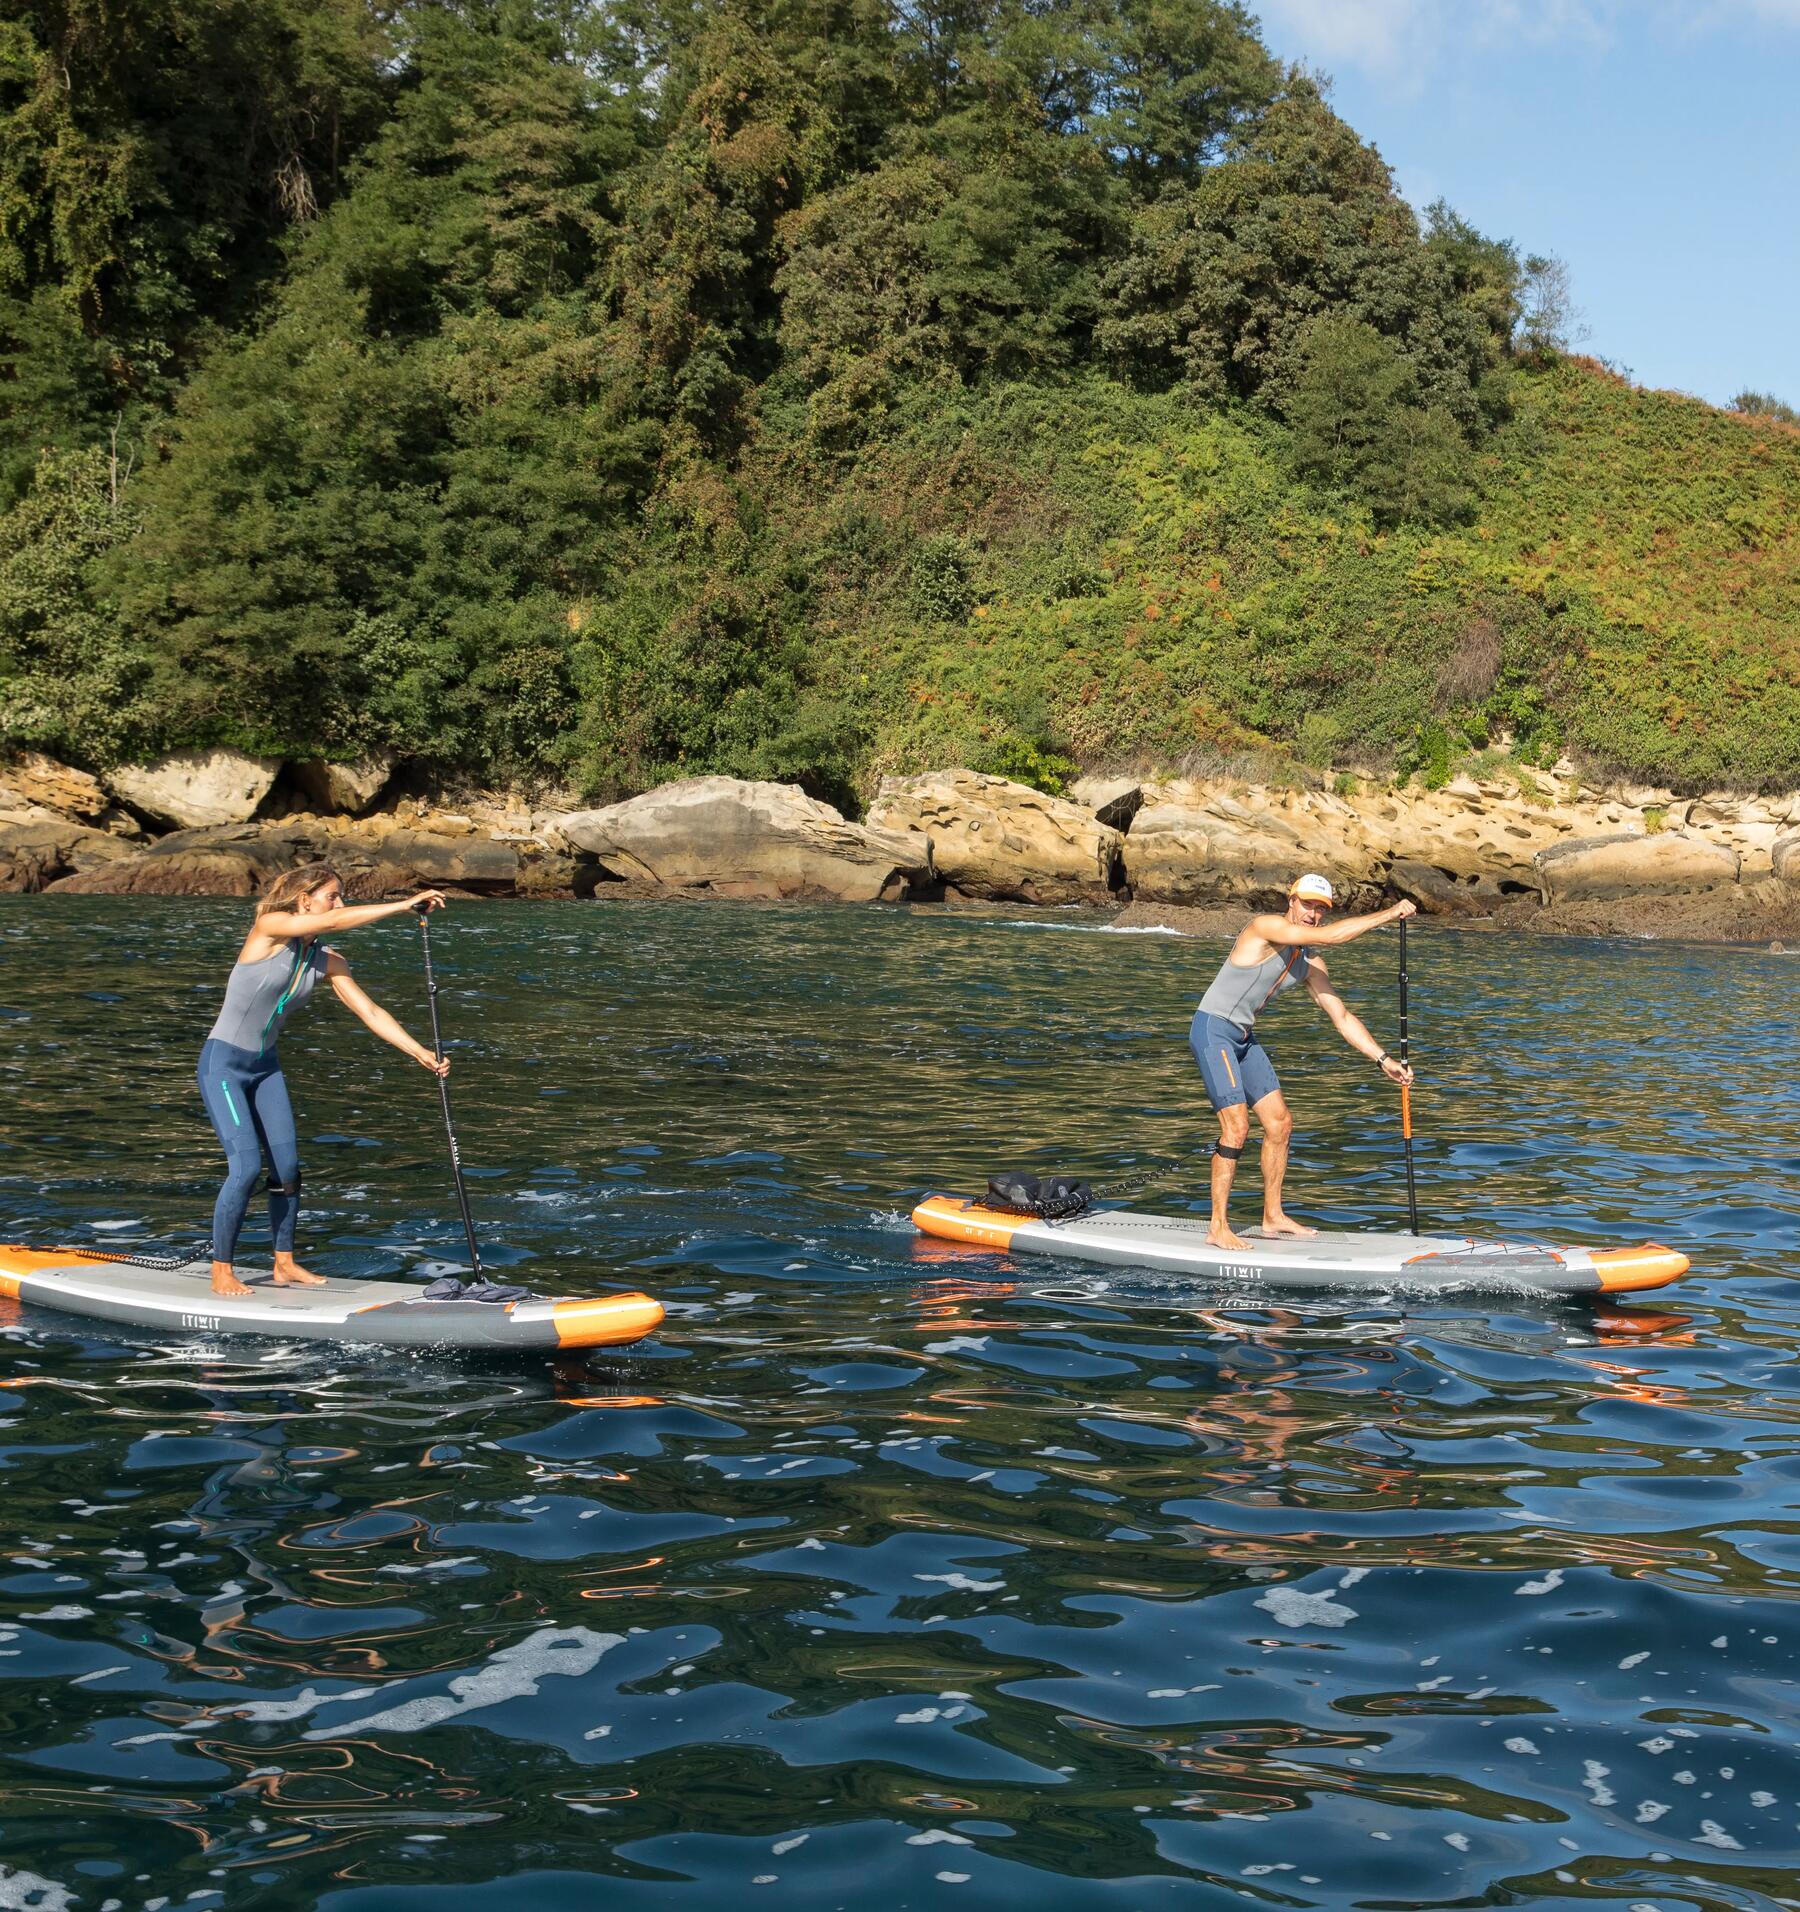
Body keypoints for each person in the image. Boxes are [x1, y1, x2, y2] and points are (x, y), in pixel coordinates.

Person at [197, 864, 451, 1299]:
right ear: (305, 901)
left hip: (266, 1068)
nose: (340, 904)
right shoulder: (270, 928)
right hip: (223, 1065)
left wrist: (420, 1053)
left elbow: (370, 1012)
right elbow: (333, 921)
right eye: (333, 895)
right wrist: (404, 904)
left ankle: (284, 1263)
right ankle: (222, 1269)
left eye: (341, 896)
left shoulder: (328, 961)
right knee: (245, 1169)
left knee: (288, 1170)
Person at [1192, 874, 1416, 1251]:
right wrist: (1390, 913)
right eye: (1307, 904)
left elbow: (1341, 1016)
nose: (1312, 914)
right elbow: (1332, 936)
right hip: (1213, 1030)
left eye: (1320, 909)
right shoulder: (1264, 927)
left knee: (1280, 1122)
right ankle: (1218, 1226)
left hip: (1243, 1039)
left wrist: (1382, 1059)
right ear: (1291, 901)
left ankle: (1273, 1216)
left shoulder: (1309, 963)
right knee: (1237, 1127)